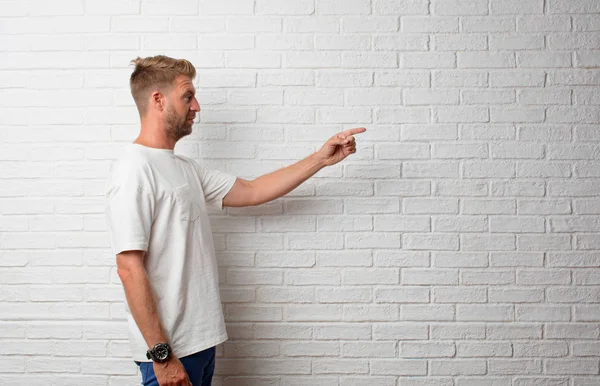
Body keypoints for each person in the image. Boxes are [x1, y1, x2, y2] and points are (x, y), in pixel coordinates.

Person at [104, 55, 365, 386]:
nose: (196, 106)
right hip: (170, 354)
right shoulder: (133, 171)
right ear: (158, 99)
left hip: (199, 344)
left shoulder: (184, 168)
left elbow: (253, 190)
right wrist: (163, 357)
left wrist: (320, 159)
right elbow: (129, 269)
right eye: (187, 96)